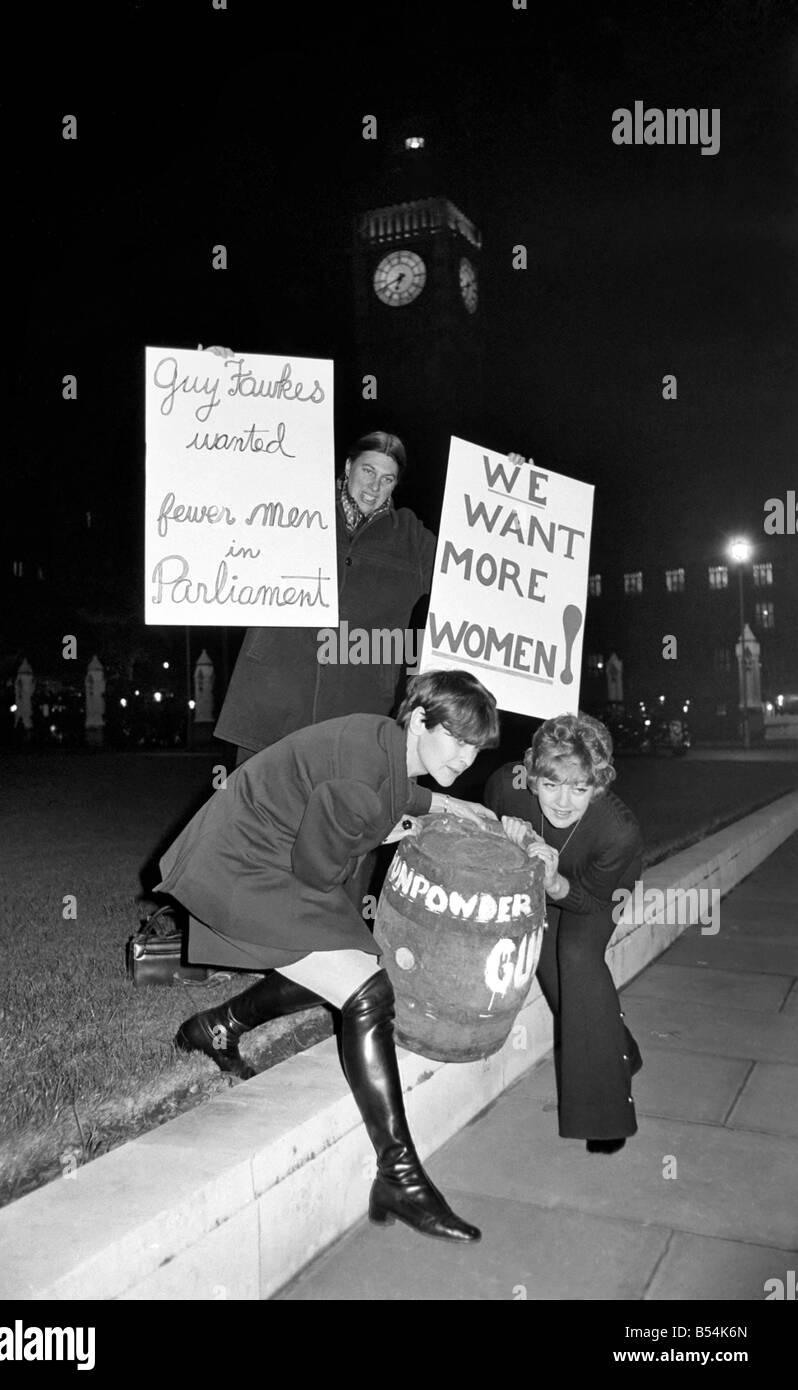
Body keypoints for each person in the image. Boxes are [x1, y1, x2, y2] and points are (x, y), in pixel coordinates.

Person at [155, 669, 500, 1241]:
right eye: (456, 740)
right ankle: (401, 1178)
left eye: (474, 748)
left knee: (347, 962)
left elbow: (398, 787)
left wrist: (447, 805)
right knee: (368, 989)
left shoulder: (381, 740)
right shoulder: (364, 785)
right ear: (419, 719)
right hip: (242, 865)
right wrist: (388, 833)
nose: (465, 759)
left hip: (265, 851)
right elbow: (321, 872)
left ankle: (217, 1026)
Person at [213, 428, 436, 761]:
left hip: (355, 708)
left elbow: (467, 579)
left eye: (387, 479)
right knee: (256, 807)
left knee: (336, 811)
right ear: (348, 467)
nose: (375, 487)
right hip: (274, 692)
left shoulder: (411, 539)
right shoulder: (297, 507)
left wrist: (508, 491)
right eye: (368, 471)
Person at [484, 713, 644, 1155]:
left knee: (576, 954)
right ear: (532, 776)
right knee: (546, 963)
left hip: (596, 886)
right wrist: (507, 839)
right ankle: (620, 1050)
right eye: (551, 784)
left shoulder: (618, 830)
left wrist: (556, 885)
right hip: (541, 873)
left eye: (579, 788)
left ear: (598, 785)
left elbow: (592, 903)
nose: (562, 801)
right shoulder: (505, 787)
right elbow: (486, 843)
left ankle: (605, 1113)